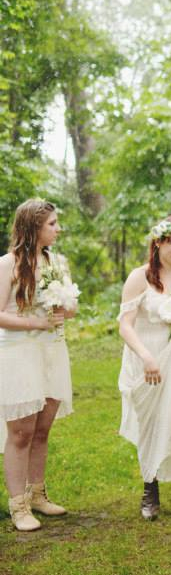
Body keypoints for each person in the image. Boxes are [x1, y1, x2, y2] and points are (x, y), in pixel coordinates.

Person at [118, 217, 171, 522]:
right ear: (158, 243)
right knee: (152, 423)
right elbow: (125, 326)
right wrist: (146, 357)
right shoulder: (139, 278)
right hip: (150, 359)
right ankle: (150, 488)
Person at [0, 199, 75, 531]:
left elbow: (68, 306)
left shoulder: (58, 263)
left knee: (43, 428)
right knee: (20, 432)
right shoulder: (8, 264)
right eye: (53, 224)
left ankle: (38, 494)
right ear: (33, 227)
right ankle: (18, 505)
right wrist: (36, 324)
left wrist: (63, 309)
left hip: (52, 351)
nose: (58, 229)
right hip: (19, 353)